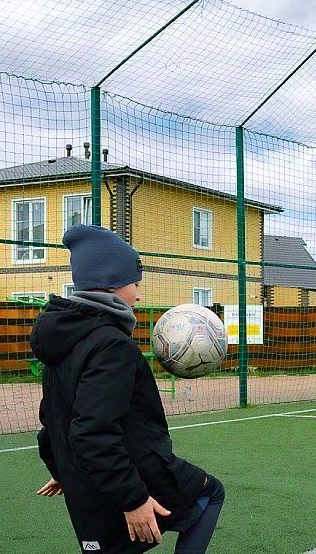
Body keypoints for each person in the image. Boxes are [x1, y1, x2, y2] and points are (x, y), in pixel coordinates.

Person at [32, 225, 225, 553]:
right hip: (132, 477)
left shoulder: (63, 338)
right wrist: (133, 499)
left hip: (87, 486)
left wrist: (60, 470)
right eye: (135, 283)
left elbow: (51, 422)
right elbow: (92, 433)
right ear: (113, 283)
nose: (138, 295)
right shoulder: (111, 344)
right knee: (209, 492)